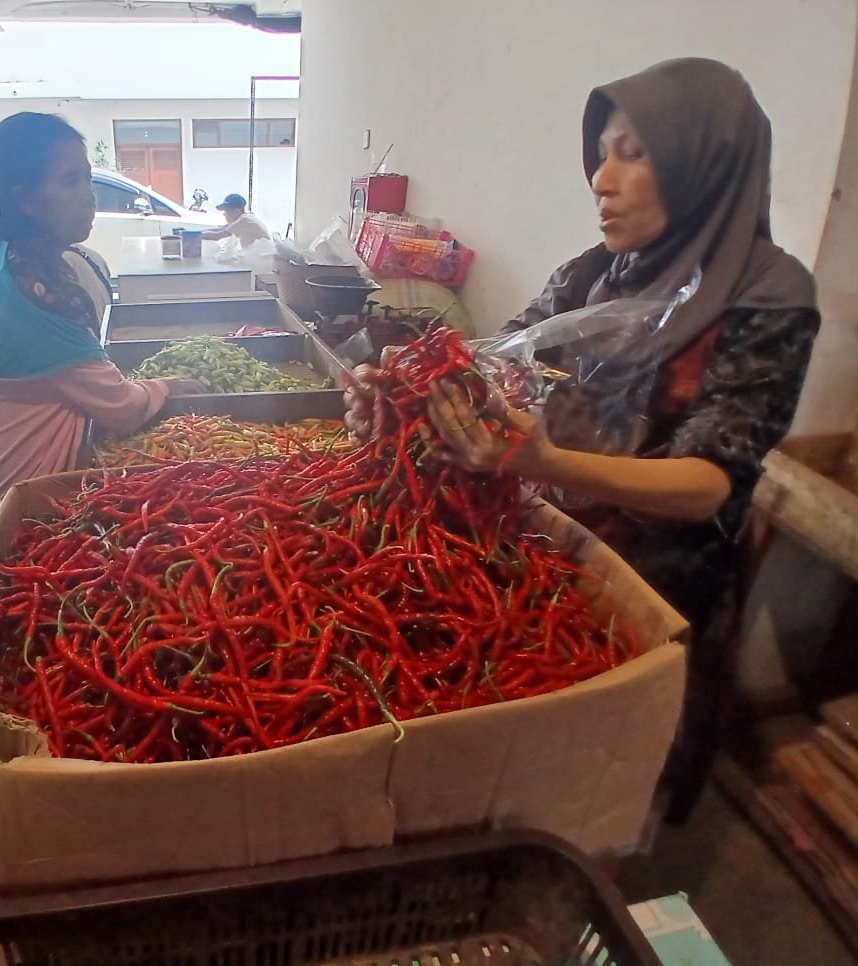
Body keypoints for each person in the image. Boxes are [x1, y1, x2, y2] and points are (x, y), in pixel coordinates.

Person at [345, 58, 820, 821]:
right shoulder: (595, 274)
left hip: (662, 584)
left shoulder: (768, 296)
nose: (602, 178)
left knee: (618, 779)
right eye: (601, 153)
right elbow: (492, 360)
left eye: (633, 154)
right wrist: (397, 387)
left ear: (704, 161)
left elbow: (711, 483)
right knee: (533, 757)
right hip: (555, 551)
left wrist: (548, 461)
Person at [0, 112, 202, 497]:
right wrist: (166, 386)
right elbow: (121, 406)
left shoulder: (0, 255)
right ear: (25, 198)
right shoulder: (44, 296)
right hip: (38, 474)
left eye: (87, 178)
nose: (89, 195)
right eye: (70, 180)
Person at [202, 193, 272, 247]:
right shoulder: (246, 218)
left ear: (236, 211)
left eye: (226, 211)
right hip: (260, 257)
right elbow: (221, 229)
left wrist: (194, 236)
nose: (224, 214)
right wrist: (196, 232)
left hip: (263, 260)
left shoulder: (244, 221)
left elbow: (217, 236)